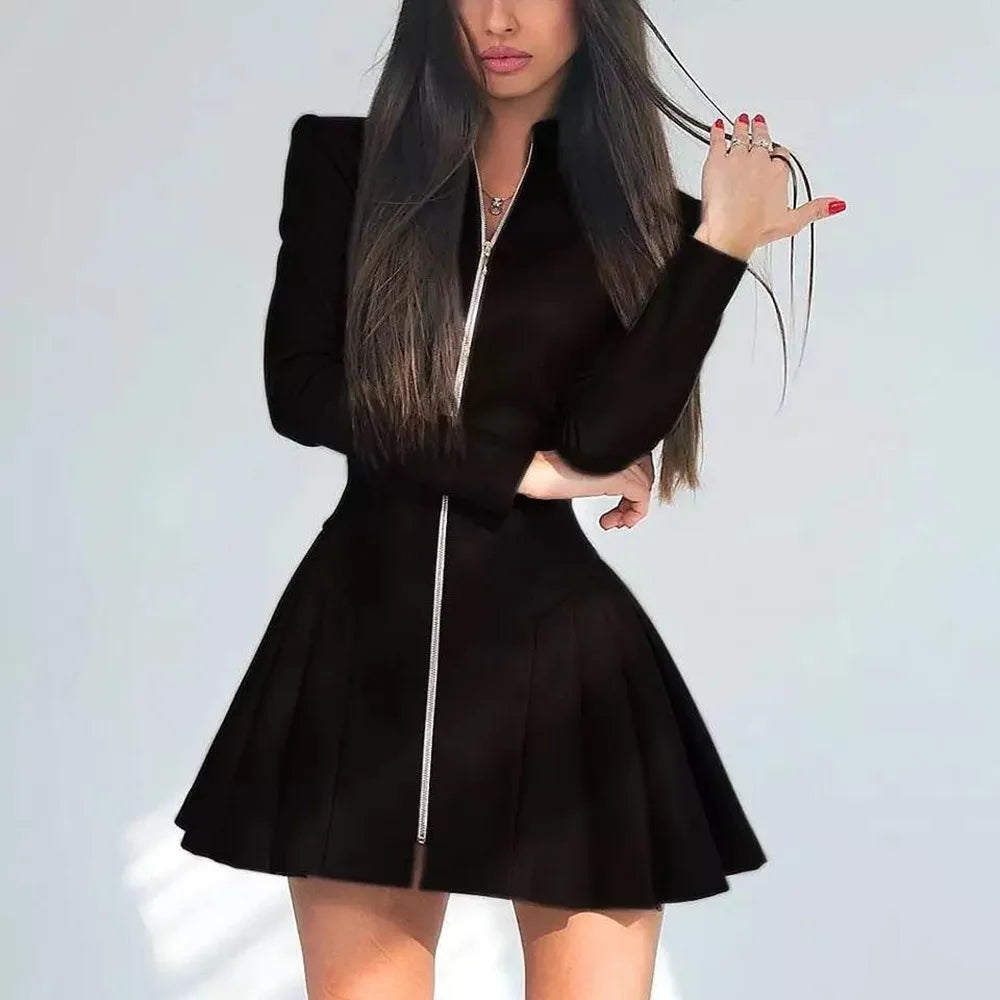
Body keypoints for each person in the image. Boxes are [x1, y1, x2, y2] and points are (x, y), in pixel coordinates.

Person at [174, 1, 846, 997]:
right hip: (362, 661)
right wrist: (516, 470)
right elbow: (305, 391)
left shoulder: (642, 217)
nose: (498, 18)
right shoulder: (344, 163)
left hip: (566, 669)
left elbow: (602, 442)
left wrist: (719, 248)